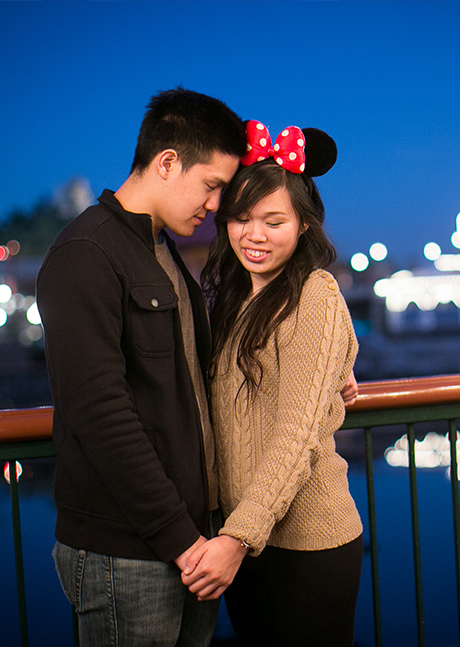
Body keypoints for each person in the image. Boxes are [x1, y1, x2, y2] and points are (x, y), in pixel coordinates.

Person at [35, 87, 245, 646]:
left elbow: (193, 384)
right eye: (212, 185)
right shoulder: (85, 252)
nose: (216, 205)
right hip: (127, 553)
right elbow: (99, 413)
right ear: (168, 162)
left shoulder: (159, 248)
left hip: (188, 543)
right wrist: (183, 541)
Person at [184, 121, 364, 646]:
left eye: (273, 221)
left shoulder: (316, 293)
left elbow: (297, 433)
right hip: (245, 537)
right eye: (240, 218)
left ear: (304, 226)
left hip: (306, 542)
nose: (254, 235)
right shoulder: (233, 300)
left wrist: (237, 538)